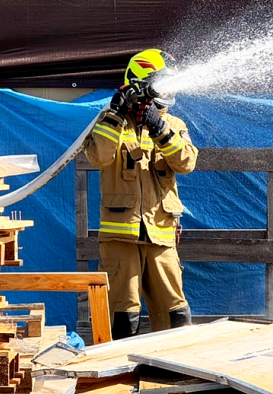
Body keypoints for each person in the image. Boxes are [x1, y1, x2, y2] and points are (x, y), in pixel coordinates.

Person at [84, 49, 198, 339]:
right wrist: (116, 114)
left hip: (161, 234)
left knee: (175, 314)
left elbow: (186, 163)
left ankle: (174, 377)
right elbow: (100, 157)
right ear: (139, 81)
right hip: (120, 239)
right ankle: (118, 379)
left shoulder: (173, 125)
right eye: (160, 81)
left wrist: (158, 127)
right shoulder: (108, 122)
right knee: (124, 315)